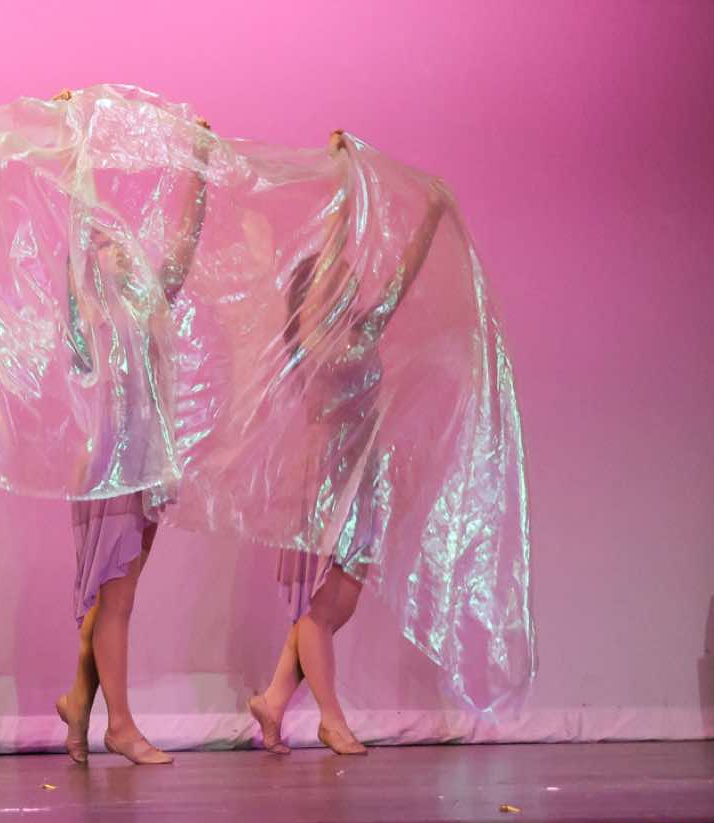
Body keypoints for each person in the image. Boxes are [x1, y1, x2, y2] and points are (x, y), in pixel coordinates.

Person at [246, 132, 449, 756]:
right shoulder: (312, 336)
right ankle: (331, 718)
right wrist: (346, 185)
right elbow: (333, 255)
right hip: (324, 474)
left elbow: (403, 277)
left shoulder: (364, 331)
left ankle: (274, 699)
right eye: (336, 280)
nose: (350, 284)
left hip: (361, 477)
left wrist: (433, 215)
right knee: (322, 607)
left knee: (337, 607)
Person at [53, 100, 213, 767]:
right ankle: (119, 724)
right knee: (115, 600)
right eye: (105, 243)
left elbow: (185, 237)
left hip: (144, 464)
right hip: (111, 466)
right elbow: (79, 220)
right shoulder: (91, 308)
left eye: (123, 241)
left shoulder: (151, 306)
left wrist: (198, 165)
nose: (116, 246)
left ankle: (77, 702)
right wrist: (76, 141)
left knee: (117, 598)